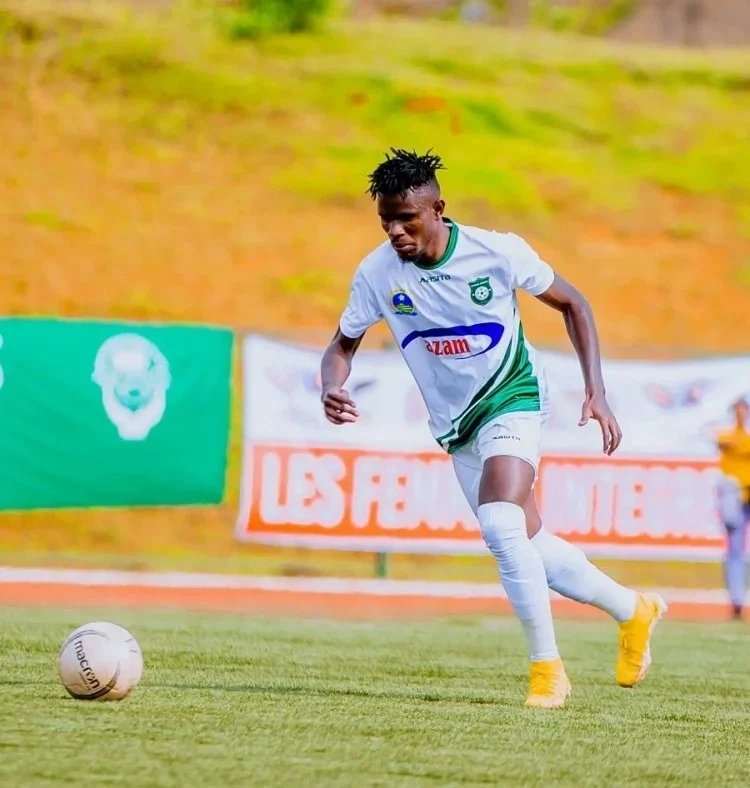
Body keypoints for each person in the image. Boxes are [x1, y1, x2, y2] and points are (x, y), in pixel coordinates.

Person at [319, 148, 666, 709]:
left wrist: (596, 390)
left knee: (501, 525)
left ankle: (547, 671)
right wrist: (330, 385)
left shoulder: (497, 251)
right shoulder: (377, 272)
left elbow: (573, 303)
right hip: (455, 424)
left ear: (437, 210)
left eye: (406, 218)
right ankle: (634, 609)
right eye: (386, 221)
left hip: (513, 397)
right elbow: (342, 344)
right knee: (529, 544)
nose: (395, 232)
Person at [716, 396, 750, 620]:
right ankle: (736, 600)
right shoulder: (728, 434)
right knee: (735, 550)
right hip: (736, 496)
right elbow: (727, 441)